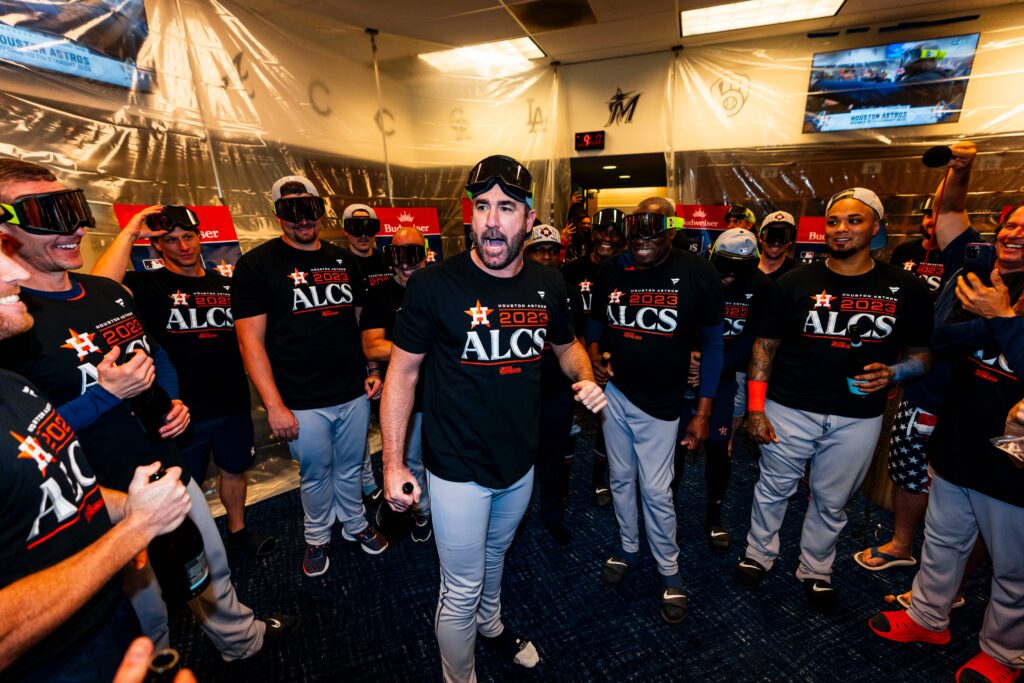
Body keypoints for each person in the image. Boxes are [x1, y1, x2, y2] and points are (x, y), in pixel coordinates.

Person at [0, 159, 296, 660]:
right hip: (94, 498)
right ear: (6, 232)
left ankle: (241, 641)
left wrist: (172, 400)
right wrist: (105, 396)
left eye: (73, 210)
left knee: (208, 568)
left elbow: (155, 353)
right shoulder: (13, 320)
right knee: (145, 615)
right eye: (47, 215)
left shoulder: (106, 292)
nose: (74, 228)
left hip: (165, 469)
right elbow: (26, 440)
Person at [380, 155, 606, 682]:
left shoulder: (549, 282)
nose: (491, 221)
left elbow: (566, 346)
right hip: (456, 467)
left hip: (519, 462)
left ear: (529, 218)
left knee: (496, 554)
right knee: (459, 588)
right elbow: (402, 374)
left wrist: (584, 377)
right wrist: (392, 462)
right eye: (482, 207)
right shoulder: (434, 284)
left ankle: (492, 623)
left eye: (506, 208)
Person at [0, 242, 193, 682]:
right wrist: (132, 531)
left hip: (100, 617)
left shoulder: (8, 382)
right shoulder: (24, 345)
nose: (16, 271)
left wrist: (124, 507)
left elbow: (51, 475)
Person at [735, 187, 933, 615]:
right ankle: (758, 554)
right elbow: (764, 348)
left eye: (854, 220)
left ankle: (816, 569)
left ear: (876, 227)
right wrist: (755, 409)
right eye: (833, 221)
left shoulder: (907, 288)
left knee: (833, 499)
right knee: (773, 489)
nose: (841, 229)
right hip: (789, 408)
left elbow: (922, 356)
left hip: (858, 416)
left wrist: (895, 373)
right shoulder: (793, 283)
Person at [869, 209, 1024, 683]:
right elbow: (942, 341)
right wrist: (996, 320)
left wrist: (1002, 319)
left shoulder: (996, 301)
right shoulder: (987, 283)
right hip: (959, 438)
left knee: (1014, 568)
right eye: (1012, 224)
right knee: (942, 542)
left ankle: (1004, 653)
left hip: (1014, 462)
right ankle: (927, 617)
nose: (1015, 234)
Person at [90, 204, 275, 557]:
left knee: (234, 470)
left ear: (200, 237)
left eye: (188, 237)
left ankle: (238, 532)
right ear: (156, 246)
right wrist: (131, 232)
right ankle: (193, 549)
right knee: (182, 483)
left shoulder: (227, 284)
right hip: (178, 410)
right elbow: (100, 289)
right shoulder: (147, 283)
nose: (183, 246)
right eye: (171, 240)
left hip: (231, 402)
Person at [232, 175, 386, 577]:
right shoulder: (257, 265)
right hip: (300, 399)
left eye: (309, 209)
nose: (302, 220)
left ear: (321, 212)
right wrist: (274, 405)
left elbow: (361, 326)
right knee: (316, 473)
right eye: (291, 211)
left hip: (351, 391)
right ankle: (317, 535)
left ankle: (355, 523)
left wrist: (371, 370)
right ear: (277, 214)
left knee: (351, 465)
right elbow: (250, 343)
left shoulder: (344, 260)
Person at [589, 196, 725, 625]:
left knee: (655, 490)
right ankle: (629, 547)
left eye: (653, 227)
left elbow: (714, 343)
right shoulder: (613, 268)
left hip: (663, 403)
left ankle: (670, 570)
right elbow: (596, 321)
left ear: (671, 228)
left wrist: (703, 412)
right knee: (619, 477)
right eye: (636, 227)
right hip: (615, 394)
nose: (642, 238)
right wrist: (593, 354)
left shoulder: (698, 272)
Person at [854, 141, 979, 573]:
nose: (1014, 236)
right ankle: (903, 544)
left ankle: (954, 579)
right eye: (1010, 228)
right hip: (928, 386)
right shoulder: (974, 259)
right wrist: (959, 172)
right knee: (909, 467)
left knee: (971, 488)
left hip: (985, 403)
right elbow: (950, 211)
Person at [674, 228, 779, 553]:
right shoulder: (695, 277)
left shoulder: (763, 288)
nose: (730, 277)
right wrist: (688, 360)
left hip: (724, 375)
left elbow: (753, 344)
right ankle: (667, 513)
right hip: (681, 373)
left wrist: (709, 366)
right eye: (725, 267)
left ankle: (714, 516)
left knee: (719, 447)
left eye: (739, 270)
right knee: (674, 447)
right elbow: (672, 325)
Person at [359, 225, 432, 543]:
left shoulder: (441, 290)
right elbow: (372, 346)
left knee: (447, 458)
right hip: (406, 397)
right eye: (398, 255)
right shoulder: (380, 295)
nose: (405, 263)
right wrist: (425, 347)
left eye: (412, 254)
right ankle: (423, 511)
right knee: (411, 460)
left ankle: (448, 510)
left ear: (425, 253)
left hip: (444, 394)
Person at [561, 208, 625, 507]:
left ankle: (599, 480)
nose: (607, 238)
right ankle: (562, 484)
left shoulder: (627, 271)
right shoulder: (571, 270)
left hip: (609, 360)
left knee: (606, 423)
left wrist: (603, 358)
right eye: (601, 231)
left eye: (614, 233)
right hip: (573, 355)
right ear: (592, 234)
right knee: (568, 422)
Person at [523, 223, 577, 545]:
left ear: (561, 255)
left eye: (552, 251)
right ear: (526, 253)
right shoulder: (512, 288)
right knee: (517, 458)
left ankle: (552, 517)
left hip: (557, 391)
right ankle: (515, 518)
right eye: (538, 250)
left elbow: (575, 341)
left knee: (554, 459)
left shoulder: (568, 291)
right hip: (519, 392)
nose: (545, 257)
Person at [341, 203, 390, 518]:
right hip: (351, 354)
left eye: (368, 229)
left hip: (385, 350)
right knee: (357, 426)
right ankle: (367, 480)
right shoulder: (339, 264)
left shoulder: (387, 261)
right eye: (355, 229)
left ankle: (389, 473)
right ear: (345, 230)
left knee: (388, 417)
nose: (362, 236)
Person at [757, 210, 801, 282]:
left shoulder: (799, 273)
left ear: (790, 240)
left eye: (783, 236)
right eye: (771, 235)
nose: (776, 242)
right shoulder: (746, 270)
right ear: (760, 237)